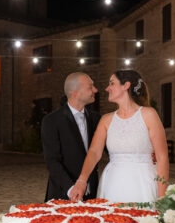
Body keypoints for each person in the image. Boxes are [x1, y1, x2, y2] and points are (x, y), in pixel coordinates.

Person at [69, 70, 169, 203]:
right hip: (112, 184)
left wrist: (162, 198)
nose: (107, 88)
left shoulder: (149, 114)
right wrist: (81, 180)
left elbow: (162, 157)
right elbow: (94, 152)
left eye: (112, 83)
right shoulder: (106, 120)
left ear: (126, 85)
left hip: (143, 182)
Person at [41, 72, 101, 201]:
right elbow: (52, 161)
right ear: (75, 93)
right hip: (62, 194)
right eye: (90, 87)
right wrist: (71, 189)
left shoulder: (97, 119)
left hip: (92, 193)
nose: (95, 90)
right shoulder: (51, 121)